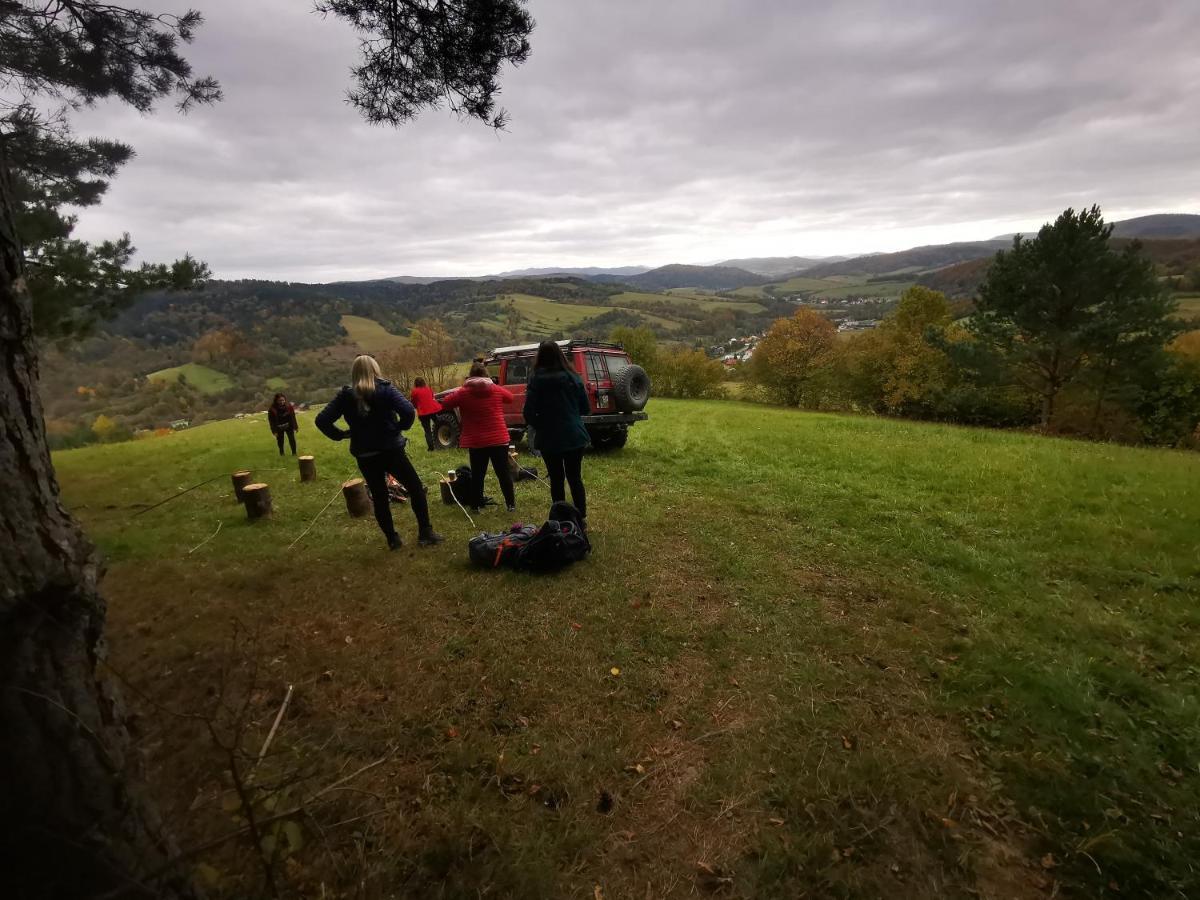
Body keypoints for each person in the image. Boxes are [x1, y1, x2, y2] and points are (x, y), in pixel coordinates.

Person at [315, 355, 443, 550]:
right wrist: (399, 427)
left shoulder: (345, 395)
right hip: (390, 449)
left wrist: (340, 435)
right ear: (374, 369)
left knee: (379, 495)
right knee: (415, 488)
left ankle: (393, 539)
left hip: (365, 454)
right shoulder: (385, 389)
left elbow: (321, 420)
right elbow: (408, 411)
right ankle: (425, 533)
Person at [523, 341, 590, 524]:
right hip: (575, 435)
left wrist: (541, 425)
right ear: (560, 355)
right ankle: (581, 518)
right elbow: (585, 408)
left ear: (540, 357)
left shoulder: (536, 380)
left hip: (549, 437)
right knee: (575, 477)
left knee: (557, 479)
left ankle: (560, 520)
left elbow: (528, 413)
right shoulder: (573, 377)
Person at [438, 362, 516, 512]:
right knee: (503, 473)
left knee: (478, 475)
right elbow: (510, 398)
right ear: (486, 375)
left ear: (471, 376)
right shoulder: (495, 389)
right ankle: (511, 505)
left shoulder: (463, 392)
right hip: (498, 438)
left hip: (477, 441)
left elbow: (446, 403)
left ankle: (475, 506)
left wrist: (462, 389)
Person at [409, 377, 442, 452]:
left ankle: (431, 448)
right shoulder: (428, 389)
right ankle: (443, 437)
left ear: (415, 383)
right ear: (424, 382)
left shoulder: (414, 391)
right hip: (433, 410)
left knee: (427, 430)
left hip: (423, 413)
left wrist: (416, 407)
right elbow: (432, 397)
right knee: (439, 424)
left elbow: (413, 402)